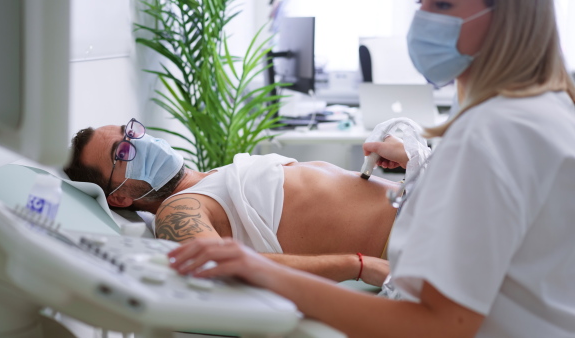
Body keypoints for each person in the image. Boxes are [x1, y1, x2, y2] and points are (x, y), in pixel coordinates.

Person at [166, 0, 575, 336]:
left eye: (444, 4)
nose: (424, 18)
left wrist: (264, 271)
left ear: (511, 15)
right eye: (122, 151)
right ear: (120, 194)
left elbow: (438, 325)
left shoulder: (489, 132)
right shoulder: (542, 110)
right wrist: (423, 168)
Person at [64, 123, 408, 285]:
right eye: (123, 152)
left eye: (131, 132)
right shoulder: (179, 210)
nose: (141, 143)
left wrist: (409, 159)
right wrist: (358, 266)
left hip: (421, 201)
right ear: (120, 196)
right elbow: (234, 266)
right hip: (409, 243)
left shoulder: (219, 173)